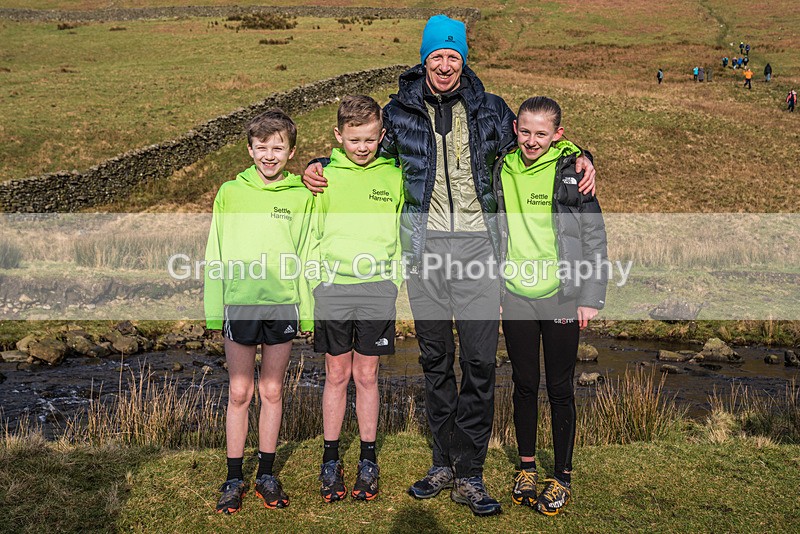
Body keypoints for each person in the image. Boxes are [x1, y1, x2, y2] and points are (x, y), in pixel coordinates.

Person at [303, 14, 597, 517]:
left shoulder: (493, 111)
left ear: (463, 59)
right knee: (435, 361)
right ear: (424, 59)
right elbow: (365, 153)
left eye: (452, 55)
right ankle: (443, 462)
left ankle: (472, 473)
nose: (443, 64)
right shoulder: (398, 114)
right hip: (426, 254)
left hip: (480, 254)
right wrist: (318, 164)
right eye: (436, 56)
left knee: (480, 363)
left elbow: (537, 146)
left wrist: (581, 154)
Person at [494, 96, 607, 516]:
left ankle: (561, 477)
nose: (531, 140)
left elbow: (594, 235)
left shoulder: (572, 173)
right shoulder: (501, 166)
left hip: (562, 294)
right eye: (524, 131)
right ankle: (526, 467)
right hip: (515, 294)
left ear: (558, 134)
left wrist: (591, 295)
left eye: (541, 133)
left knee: (560, 389)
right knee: (524, 384)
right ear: (515, 129)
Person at [205, 109, 315, 514]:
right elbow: (214, 252)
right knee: (239, 391)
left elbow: (307, 255)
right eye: (262, 147)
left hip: (283, 304)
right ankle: (234, 478)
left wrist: (308, 314)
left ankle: (266, 473)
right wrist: (214, 312)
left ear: (291, 152)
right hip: (240, 304)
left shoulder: (302, 197)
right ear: (250, 149)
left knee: (271, 390)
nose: (270, 155)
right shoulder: (229, 193)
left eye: (278, 148)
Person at [311, 95, 404, 504]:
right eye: (354, 140)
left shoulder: (394, 176)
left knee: (367, 377)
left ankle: (368, 459)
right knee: (336, 376)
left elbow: (403, 233)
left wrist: (394, 281)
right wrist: (315, 281)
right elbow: (311, 235)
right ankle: (331, 459)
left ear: (381, 136)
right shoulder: (323, 177)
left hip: (377, 290)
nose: (362, 147)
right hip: (332, 289)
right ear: (338, 136)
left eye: (369, 139)